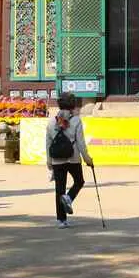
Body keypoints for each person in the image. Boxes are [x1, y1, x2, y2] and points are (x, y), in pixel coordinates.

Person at [46, 93, 94, 227]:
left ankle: (61, 220)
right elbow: (81, 143)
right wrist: (87, 159)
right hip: (73, 158)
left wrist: (49, 161)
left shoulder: (52, 121)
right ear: (72, 105)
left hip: (57, 159)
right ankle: (69, 197)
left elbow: (48, 143)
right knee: (79, 181)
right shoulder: (76, 120)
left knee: (59, 189)